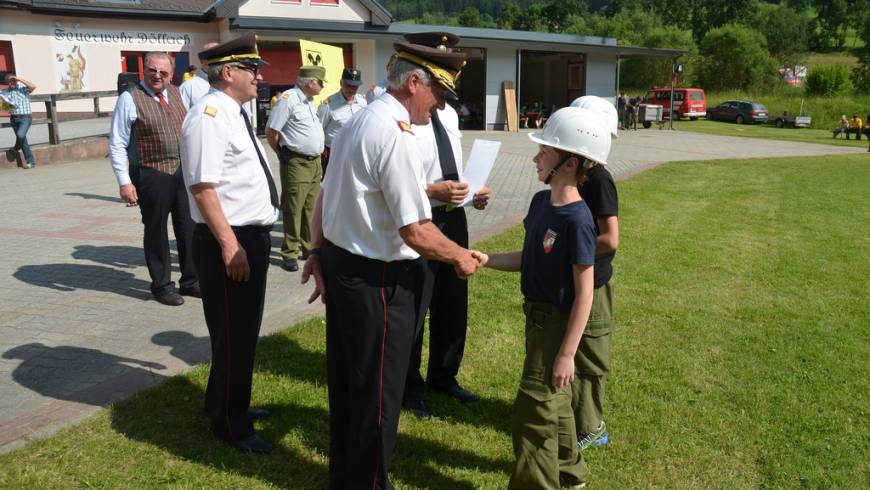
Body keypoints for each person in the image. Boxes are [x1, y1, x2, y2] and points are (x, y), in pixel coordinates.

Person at [300, 37, 483, 489]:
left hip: (346, 270)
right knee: (378, 398)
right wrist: (461, 256)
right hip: (379, 283)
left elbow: (326, 194)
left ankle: (346, 477)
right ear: (414, 82)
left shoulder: (360, 120)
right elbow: (415, 232)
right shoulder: (394, 133)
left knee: (349, 388)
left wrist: (319, 252)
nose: (440, 105)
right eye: (438, 94)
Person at [477, 106, 610, 490]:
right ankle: (570, 474)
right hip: (535, 319)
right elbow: (527, 257)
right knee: (556, 398)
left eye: (545, 153)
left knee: (534, 411)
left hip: (556, 322)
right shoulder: (539, 204)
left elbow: (585, 292)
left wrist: (567, 353)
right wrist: (485, 259)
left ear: (569, 163)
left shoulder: (578, 220)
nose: (536, 157)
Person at [180, 33, 279, 454]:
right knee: (235, 334)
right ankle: (231, 424)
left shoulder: (232, 110)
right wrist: (229, 244)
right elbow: (203, 187)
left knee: (238, 332)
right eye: (252, 69)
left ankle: (224, 403)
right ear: (229, 71)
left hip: (247, 237)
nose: (259, 76)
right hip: (231, 239)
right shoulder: (209, 114)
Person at [402, 31, 492, 421]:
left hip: (454, 217)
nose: (444, 89)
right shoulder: (402, 113)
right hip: (421, 217)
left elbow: (450, 164)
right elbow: (397, 180)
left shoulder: (449, 113)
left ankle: (444, 374)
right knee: (416, 304)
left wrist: (474, 193)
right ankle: (409, 386)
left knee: (453, 303)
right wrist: (432, 190)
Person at [109, 51, 199, 306]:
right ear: (144, 70)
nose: (158, 76)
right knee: (156, 230)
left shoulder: (179, 93)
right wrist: (124, 181)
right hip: (150, 172)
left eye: (164, 72)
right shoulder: (130, 98)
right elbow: (117, 143)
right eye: (152, 70)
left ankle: (191, 281)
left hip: (182, 171)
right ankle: (161, 285)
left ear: (172, 73)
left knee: (188, 227)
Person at [569, 96, 620, 450]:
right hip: (574, 275)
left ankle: (592, 427)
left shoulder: (599, 178)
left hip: (594, 280)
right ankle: (572, 416)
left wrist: (573, 251)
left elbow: (610, 238)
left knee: (590, 352)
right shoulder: (576, 172)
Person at [266, 65, 326, 272]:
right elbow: (271, 131)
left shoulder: (308, 101)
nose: (322, 86)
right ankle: (289, 253)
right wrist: (282, 155)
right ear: (311, 82)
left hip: (314, 162)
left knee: (310, 207)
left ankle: (308, 248)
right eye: (321, 82)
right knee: (293, 208)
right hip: (297, 162)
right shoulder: (289, 99)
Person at [316, 67, 366, 176]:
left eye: (354, 86)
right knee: (332, 189)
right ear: (341, 83)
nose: (351, 89)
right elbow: (317, 130)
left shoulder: (363, 103)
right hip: (335, 155)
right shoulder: (328, 104)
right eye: (348, 85)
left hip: (357, 154)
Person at [1, 74, 37, 168]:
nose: (13, 82)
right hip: (14, 118)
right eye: (10, 81)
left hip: (25, 118)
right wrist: (6, 107)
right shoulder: (4, 92)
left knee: (20, 135)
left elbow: (33, 86)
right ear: (7, 83)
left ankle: (14, 149)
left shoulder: (23, 90)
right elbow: (3, 105)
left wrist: (19, 79)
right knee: (22, 140)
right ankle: (30, 162)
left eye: (14, 81)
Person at [180, 43, 219, 110]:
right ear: (201, 60)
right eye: (210, 56)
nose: (215, 60)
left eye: (219, 56)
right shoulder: (188, 86)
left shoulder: (234, 83)